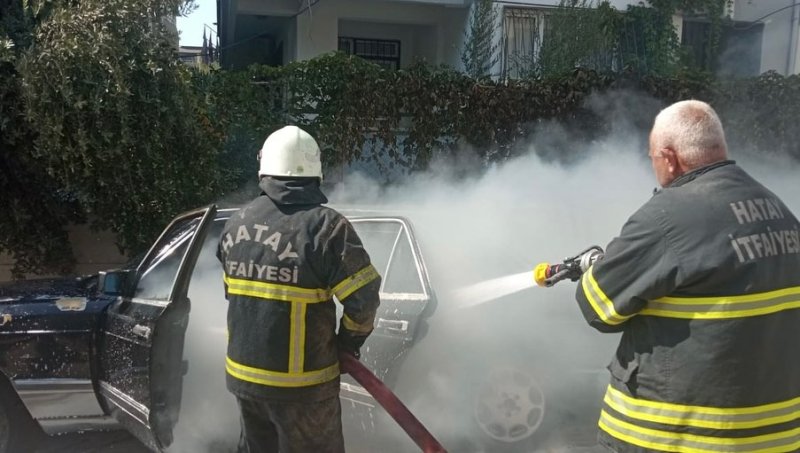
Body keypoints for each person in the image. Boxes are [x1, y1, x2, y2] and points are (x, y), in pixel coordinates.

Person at [573, 100, 800, 452]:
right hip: (773, 439)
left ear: (669, 157)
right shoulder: (777, 210)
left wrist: (599, 266)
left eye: (652, 159)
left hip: (672, 438)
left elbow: (597, 307)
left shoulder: (667, 216)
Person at [217, 125, 381, 453]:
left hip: (245, 381)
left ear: (265, 170)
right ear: (315, 173)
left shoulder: (237, 222)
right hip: (303, 390)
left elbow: (232, 292)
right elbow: (363, 302)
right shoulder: (326, 228)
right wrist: (347, 344)